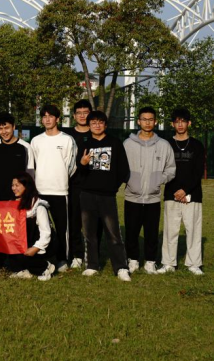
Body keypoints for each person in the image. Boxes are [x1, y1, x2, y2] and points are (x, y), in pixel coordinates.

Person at [78, 110, 131, 281]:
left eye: (100, 122)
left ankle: (121, 267)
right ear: (89, 125)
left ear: (105, 125)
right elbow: (79, 172)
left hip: (107, 196)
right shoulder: (85, 144)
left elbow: (123, 169)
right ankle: (92, 265)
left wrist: (112, 187)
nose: (97, 125)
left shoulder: (115, 143)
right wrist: (83, 164)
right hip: (87, 195)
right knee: (90, 233)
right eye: (93, 122)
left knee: (113, 233)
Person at [123, 107, 176, 275]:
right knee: (131, 231)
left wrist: (159, 180)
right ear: (138, 121)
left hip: (153, 198)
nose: (147, 122)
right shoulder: (128, 144)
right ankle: (133, 260)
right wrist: (130, 181)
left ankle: (150, 262)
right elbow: (121, 167)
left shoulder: (163, 145)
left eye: (150, 119)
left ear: (156, 121)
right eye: (144, 119)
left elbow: (171, 168)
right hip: (132, 196)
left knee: (151, 232)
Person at [30, 104, 76, 272]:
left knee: (62, 227)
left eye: (51, 116)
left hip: (59, 190)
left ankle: (63, 259)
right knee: (40, 227)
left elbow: (71, 166)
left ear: (57, 119)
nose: (47, 119)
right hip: (40, 191)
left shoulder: (67, 140)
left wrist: (60, 178)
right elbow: (33, 165)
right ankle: (42, 256)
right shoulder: (36, 140)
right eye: (44, 116)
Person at [158, 108, 205, 275]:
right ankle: (168, 263)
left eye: (183, 121)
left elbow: (198, 172)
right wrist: (176, 191)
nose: (180, 124)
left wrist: (185, 191)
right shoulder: (166, 145)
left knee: (193, 230)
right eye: (177, 121)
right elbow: (163, 169)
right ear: (172, 124)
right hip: (171, 194)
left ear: (189, 123)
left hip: (193, 194)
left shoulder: (197, 145)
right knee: (170, 230)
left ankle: (194, 264)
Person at [61, 99, 94, 269]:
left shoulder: (97, 134)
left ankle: (93, 254)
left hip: (93, 185)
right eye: (79, 113)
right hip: (72, 185)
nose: (82, 116)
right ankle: (76, 254)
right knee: (73, 221)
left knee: (92, 222)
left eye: (85, 112)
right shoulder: (66, 136)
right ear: (74, 116)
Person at [6, 173, 56, 281]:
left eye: (17, 185)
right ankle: (21, 270)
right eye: (12, 185)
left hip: (36, 244)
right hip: (21, 242)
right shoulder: (12, 203)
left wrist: (35, 248)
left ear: (26, 186)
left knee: (24, 255)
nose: (14, 188)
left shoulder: (38, 205)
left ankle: (45, 267)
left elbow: (46, 232)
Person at [0, 112, 35, 202]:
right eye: (0, 129)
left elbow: (30, 175)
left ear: (13, 127)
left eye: (7, 128)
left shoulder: (26, 147)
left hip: (18, 199)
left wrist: (27, 196)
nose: (4, 132)